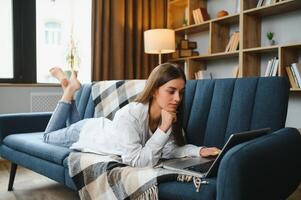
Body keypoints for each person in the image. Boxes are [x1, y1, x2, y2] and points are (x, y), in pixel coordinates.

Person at [44, 63, 220, 167]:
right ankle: (68, 91)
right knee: (48, 137)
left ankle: (70, 87)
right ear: (154, 91)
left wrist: (200, 150)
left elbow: (170, 149)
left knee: (73, 123)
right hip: (87, 133)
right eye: (171, 91)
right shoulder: (130, 114)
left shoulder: (168, 115)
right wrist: (163, 128)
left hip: (95, 126)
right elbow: (136, 161)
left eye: (181, 93)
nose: (177, 99)